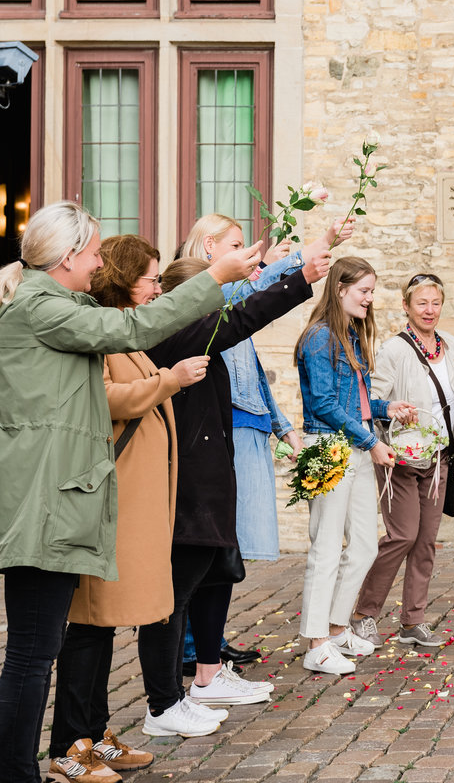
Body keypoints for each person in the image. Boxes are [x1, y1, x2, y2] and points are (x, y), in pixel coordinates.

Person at [0, 201, 260, 783]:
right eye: (93, 252)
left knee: (45, 648)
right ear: (67, 256)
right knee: (32, 655)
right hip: (47, 504)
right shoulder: (43, 307)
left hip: (68, 499)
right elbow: (137, 327)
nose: (100, 262)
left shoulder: (60, 305)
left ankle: (66, 747)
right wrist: (215, 277)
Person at [136, 244, 333, 736]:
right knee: (170, 601)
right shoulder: (174, 332)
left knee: (206, 580)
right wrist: (300, 274)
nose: (157, 290)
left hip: (208, 486)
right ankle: (163, 704)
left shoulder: (194, 336)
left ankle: (197, 682)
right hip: (185, 490)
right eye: (152, 282)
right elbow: (244, 317)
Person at [47, 236, 209, 780]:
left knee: (107, 625)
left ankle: (95, 734)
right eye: (151, 279)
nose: (158, 289)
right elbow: (105, 399)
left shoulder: (126, 331)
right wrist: (171, 379)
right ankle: (70, 746)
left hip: (134, 503)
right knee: (90, 626)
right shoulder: (102, 334)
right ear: (123, 277)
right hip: (108, 503)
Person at [176, 213, 354, 674]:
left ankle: (208, 642)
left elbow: (251, 369)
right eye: (238, 245)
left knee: (228, 547)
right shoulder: (203, 293)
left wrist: (281, 426)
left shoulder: (230, 295)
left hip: (250, 425)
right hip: (224, 427)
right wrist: (304, 255)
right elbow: (250, 295)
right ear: (209, 246)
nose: (247, 255)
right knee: (211, 543)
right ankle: (194, 648)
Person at [348, 273, 454, 649]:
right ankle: (364, 614)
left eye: (435, 303)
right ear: (406, 306)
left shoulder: (451, 344)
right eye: (422, 303)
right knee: (402, 535)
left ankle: (412, 620)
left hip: (439, 455)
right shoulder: (394, 350)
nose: (430, 310)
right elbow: (373, 402)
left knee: (426, 541)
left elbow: (447, 397)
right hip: (401, 457)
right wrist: (395, 414)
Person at [296, 257, 418, 675]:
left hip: (356, 443)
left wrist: (388, 408)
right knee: (326, 547)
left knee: (365, 544)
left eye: (371, 290)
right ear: (340, 289)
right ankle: (315, 644)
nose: (370, 298)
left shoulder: (348, 334)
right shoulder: (319, 338)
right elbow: (325, 405)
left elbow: (356, 401)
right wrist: (371, 442)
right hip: (327, 447)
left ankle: (334, 629)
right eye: (364, 290)